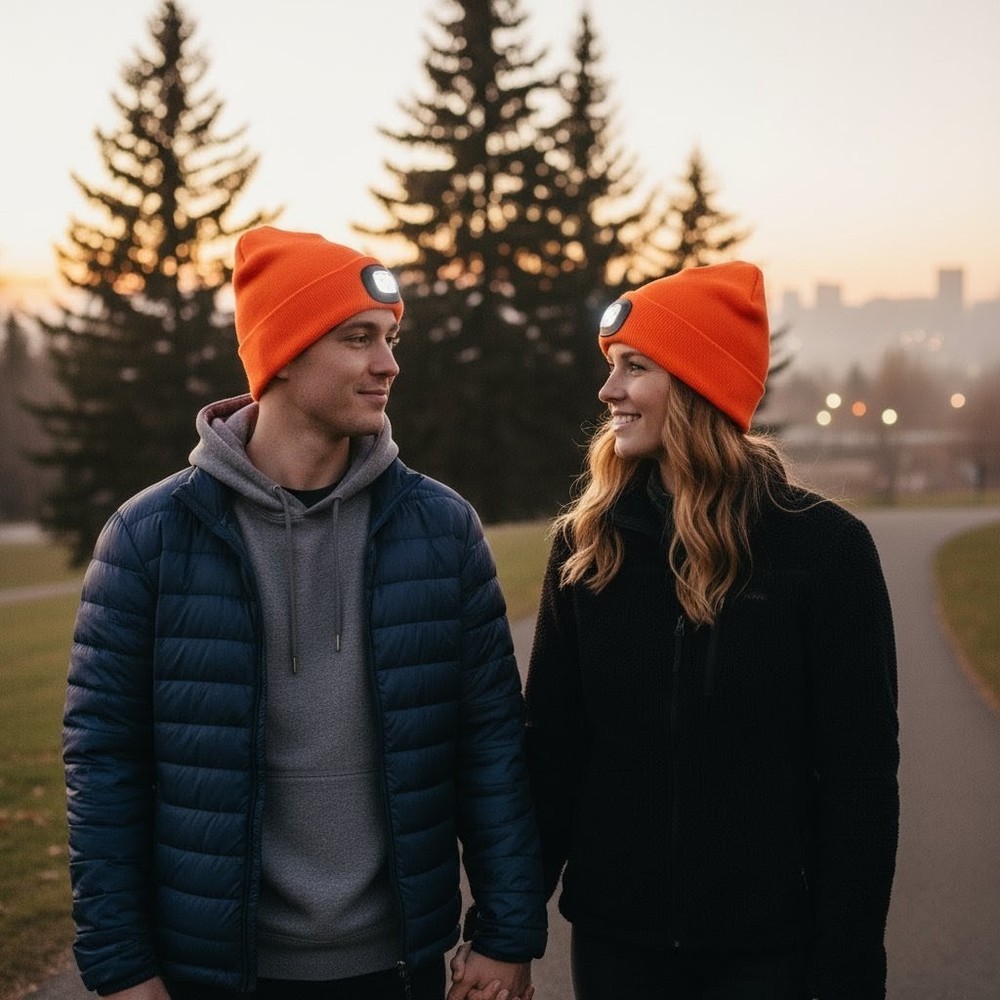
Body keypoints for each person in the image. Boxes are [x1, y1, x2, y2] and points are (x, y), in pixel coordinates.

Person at [62, 226, 546, 1000]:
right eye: (359, 339)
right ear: (283, 352)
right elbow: (105, 764)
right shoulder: (149, 538)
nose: (388, 364)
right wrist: (123, 967)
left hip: (396, 969)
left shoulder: (442, 529)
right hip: (215, 974)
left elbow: (488, 746)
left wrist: (507, 934)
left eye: (389, 339)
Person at [523, 262, 899, 999]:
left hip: (770, 956)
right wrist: (504, 932)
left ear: (695, 383)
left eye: (635, 367)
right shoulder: (587, 547)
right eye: (613, 368)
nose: (608, 392)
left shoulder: (824, 550)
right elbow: (551, 758)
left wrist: (848, 969)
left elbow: (859, 784)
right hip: (616, 949)